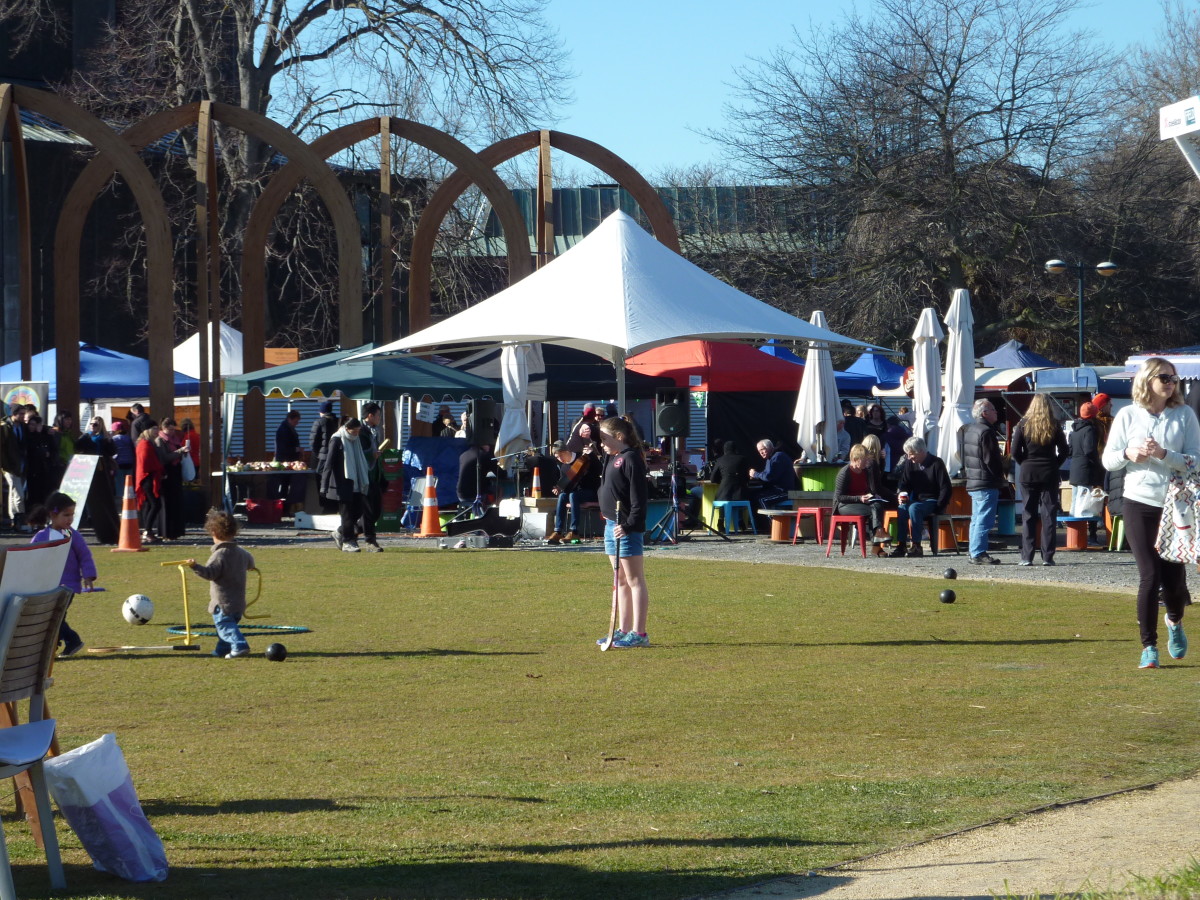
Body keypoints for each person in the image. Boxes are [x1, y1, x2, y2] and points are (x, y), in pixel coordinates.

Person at [1101, 357, 1200, 669]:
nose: (1171, 382)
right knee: (1150, 574)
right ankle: (1149, 647)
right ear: (1146, 379)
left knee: (1173, 583)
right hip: (1138, 501)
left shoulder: (1184, 415)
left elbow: (1196, 461)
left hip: (1175, 506)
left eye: (1174, 377)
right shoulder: (1128, 415)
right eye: (1164, 376)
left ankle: (1175, 620)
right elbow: (1108, 460)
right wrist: (1128, 453)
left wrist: (1164, 454)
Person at [596, 415, 650, 649]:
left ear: (619, 437)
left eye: (605, 438)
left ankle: (639, 633)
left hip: (625, 527)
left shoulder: (630, 459)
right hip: (610, 524)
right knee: (620, 580)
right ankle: (623, 629)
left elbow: (639, 500)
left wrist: (628, 525)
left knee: (634, 579)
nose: (602, 443)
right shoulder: (612, 457)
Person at [29, 491, 96, 658]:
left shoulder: (70, 534)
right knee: (54, 618)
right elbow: (30, 558)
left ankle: (71, 641)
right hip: (49, 586)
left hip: (68, 586)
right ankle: (54, 647)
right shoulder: (42, 536)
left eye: (72, 515)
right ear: (53, 514)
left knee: (55, 617)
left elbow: (84, 554)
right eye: (66, 515)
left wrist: (88, 575)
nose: (70, 519)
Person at [185, 509, 256, 659]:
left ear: (214, 533)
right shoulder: (242, 552)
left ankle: (240, 645)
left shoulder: (219, 554)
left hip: (223, 603)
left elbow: (210, 573)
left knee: (224, 627)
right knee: (225, 629)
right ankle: (221, 650)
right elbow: (251, 563)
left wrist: (194, 567)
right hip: (238, 602)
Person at [1012, 394, 1069, 566]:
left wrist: (1025, 462)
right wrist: (1054, 464)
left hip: (1028, 472)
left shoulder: (1023, 425)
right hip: (1049, 473)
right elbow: (1065, 450)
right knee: (1049, 515)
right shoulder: (1054, 425)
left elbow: (1015, 451)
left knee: (1028, 514)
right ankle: (1048, 557)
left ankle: (1027, 556)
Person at [960, 398, 1006, 565]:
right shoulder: (986, 431)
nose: (996, 412)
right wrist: (1000, 476)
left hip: (974, 480)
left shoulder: (970, 429)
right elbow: (990, 459)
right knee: (984, 519)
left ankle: (974, 551)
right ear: (985, 413)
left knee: (976, 518)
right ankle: (978, 552)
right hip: (985, 481)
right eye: (993, 409)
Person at [891, 435, 952, 558]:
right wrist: (902, 494)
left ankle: (916, 545)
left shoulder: (936, 463)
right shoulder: (910, 463)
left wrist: (939, 507)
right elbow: (905, 483)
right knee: (902, 508)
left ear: (921, 451)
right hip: (917, 500)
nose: (909, 457)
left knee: (914, 508)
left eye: (911, 454)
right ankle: (901, 544)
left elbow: (946, 487)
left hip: (932, 500)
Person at [833, 444, 893, 556]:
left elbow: (869, 488)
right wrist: (859, 498)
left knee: (878, 505)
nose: (867, 463)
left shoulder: (865, 471)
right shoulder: (845, 473)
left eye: (867, 460)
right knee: (873, 510)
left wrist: (874, 495)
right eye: (864, 460)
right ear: (855, 460)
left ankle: (877, 540)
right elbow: (839, 497)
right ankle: (877, 543)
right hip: (845, 505)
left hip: (862, 502)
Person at [320, 417, 371, 552]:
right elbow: (329, 463)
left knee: (358, 511)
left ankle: (339, 532)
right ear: (346, 429)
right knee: (347, 514)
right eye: (354, 431)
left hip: (356, 481)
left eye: (358, 431)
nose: (356, 434)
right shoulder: (336, 440)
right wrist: (324, 485)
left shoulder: (356, 441)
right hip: (342, 483)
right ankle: (348, 542)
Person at [72, 415, 121, 545]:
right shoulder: (87, 437)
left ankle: (107, 527)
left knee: (104, 497)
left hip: (102, 469)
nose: (94, 427)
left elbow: (112, 452)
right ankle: (89, 517)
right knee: (89, 496)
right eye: (92, 424)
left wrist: (109, 441)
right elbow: (77, 446)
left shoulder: (105, 438)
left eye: (96, 425)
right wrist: (85, 435)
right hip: (88, 467)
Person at [548, 439, 601, 543]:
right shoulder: (564, 467)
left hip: (591, 491)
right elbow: (567, 485)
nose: (559, 459)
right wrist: (559, 488)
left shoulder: (583, 457)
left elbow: (600, 469)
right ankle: (558, 531)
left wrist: (592, 455)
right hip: (576, 494)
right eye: (557, 457)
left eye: (560, 455)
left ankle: (574, 531)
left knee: (573, 495)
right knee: (563, 496)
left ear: (566, 451)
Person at [1068, 401, 1106, 543]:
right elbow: (1089, 449)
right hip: (1087, 469)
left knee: (1075, 502)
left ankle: (1073, 537)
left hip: (1075, 468)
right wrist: (1098, 462)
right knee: (1087, 504)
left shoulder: (1075, 429)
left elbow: (1070, 450)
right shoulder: (1090, 429)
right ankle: (1089, 537)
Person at [155, 418, 190, 540]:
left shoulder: (175, 439)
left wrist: (184, 453)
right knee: (167, 503)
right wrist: (180, 451)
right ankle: (166, 532)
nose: (171, 432)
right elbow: (164, 458)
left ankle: (176, 531)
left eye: (173, 429)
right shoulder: (160, 440)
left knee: (177, 502)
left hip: (176, 472)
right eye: (169, 429)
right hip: (167, 474)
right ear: (163, 428)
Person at [357, 402, 385, 552]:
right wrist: (371, 454)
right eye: (378, 415)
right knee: (368, 511)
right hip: (364, 475)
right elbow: (358, 453)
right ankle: (370, 541)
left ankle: (345, 531)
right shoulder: (360, 431)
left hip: (375, 474)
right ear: (370, 416)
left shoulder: (374, 431)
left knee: (376, 511)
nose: (380, 418)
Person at [0, 404, 29, 532]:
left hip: (20, 465)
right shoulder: (5, 426)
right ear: (14, 414)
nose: (23, 416)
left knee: (14, 492)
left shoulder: (22, 426)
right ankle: (19, 518)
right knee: (18, 494)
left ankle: (14, 520)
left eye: (24, 413)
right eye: (21, 414)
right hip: (10, 466)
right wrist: (6, 465)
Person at [134, 421, 165, 543]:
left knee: (149, 505)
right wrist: (160, 469)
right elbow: (147, 463)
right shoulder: (145, 444)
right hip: (147, 477)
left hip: (149, 477)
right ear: (147, 430)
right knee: (155, 504)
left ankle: (147, 531)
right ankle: (147, 531)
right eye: (154, 428)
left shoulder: (147, 443)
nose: (157, 431)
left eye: (157, 428)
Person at [749, 438, 795, 508]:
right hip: (775, 490)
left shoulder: (778, 456)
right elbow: (765, 474)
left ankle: (769, 519)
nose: (761, 453)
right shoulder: (770, 459)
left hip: (784, 491)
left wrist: (755, 474)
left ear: (769, 447)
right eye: (759, 451)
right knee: (752, 496)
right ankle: (757, 519)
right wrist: (755, 476)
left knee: (761, 499)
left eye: (762, 449)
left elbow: (769, 477)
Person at [457, 440, 502, 510]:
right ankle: (493, 512)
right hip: (475, 494)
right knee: (499, 489)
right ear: (483, 445)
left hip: (461, 494)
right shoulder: (484, 455)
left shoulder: (463, 455)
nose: (489, 447)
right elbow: (500, 473)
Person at [23, 415, 56, 511]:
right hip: (32, 469)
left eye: (35, 425)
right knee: (33, 494)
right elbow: (31, 449)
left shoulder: (46, 435)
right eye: (31, 424)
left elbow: (53, 450)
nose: (32, 427)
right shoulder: (28, 435)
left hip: (44, 469)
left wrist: (49, 454)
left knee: (43, 493)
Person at [272, 410, 303, 502]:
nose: (296, 424)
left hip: (287, 461)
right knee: (284, 484)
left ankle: (285, 504)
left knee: (285, 484)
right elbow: (284, 448)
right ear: (290, 419)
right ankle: (284, 505)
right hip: (285, 461)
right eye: (295, 421)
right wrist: (297, 449)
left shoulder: (286, 428)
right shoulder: (284, 430)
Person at [710, 440, 751, 504]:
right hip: (741, 496)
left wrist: (723, 479)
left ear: (724, 450)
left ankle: (723, 514)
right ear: (735, 449)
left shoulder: (719, 460)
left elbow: (713, 479)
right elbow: (747, 477)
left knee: (723, 509)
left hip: (723, 495)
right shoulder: (743, 459)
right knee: (739, 508)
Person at [50, 409, 76, 492]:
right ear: (60, 420)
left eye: (70, 419)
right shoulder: (55, 433)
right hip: (60, 468)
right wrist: (60, 463)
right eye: (66, 419)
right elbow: (54, 450)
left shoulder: (68, 433)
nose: (69, 421)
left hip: (70, 466)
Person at [309, 400, 338, 472]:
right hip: (336, 456)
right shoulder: (338, 421)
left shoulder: (319, 422)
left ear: (322, 412)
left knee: (321, 478)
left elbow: (313, 441)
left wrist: (316, 455)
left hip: (322, 458)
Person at [111, 420, 135, 499]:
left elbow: (113, 452)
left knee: (119, 484)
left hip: (119, 464)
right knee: (129, 483)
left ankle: (121, 500)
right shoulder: (128, 439)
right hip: (129, 463)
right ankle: (130, 498)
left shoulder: (114, 439)